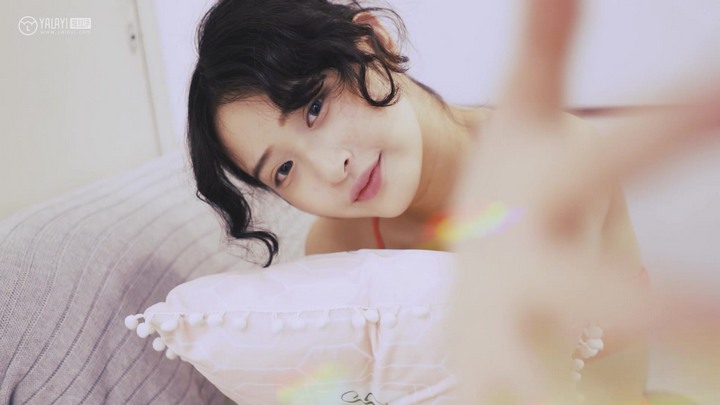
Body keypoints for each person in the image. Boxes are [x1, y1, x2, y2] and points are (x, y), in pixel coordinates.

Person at [187, 0, 719, 402]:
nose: (330, 169)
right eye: (283, 170)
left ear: (375, 42)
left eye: (313, 106)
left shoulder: (553, 160)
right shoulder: (338, 244)